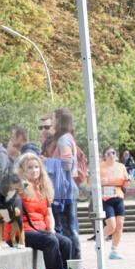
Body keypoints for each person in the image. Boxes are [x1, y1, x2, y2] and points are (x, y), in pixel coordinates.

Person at [14, 153, 74, 269]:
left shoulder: (43, 187)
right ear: (23, 170)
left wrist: (51, 229)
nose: (34, 170)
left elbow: (49, 213)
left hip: (40, 230)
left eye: (37, 167)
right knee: (50, 240)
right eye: (29, 167)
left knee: (66, 242)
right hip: (21, 231)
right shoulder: (18, 187)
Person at [49, 108, 81, 258]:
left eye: (54, 118)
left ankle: (74, 261)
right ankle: (75, 260)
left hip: (65, 188)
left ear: (59, 120)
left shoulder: (63, 140)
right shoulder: (68, 138)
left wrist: (47, 162)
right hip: (68, 187)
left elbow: (66, 163)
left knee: (67, 227)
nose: (52, 121)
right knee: (70, 227)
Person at [99, 147, 130, 259]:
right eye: (108, 153)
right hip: (106, 198)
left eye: (113, 153)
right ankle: (100, 240)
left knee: (120, 225)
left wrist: (126, 180)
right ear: (104, 156)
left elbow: (126, 183)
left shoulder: (121, 166)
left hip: (118, 196)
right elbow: (91, 182)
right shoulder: (100, 166)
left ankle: (114, 250)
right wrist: (101, 182)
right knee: (112, 226)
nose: (111, 155)